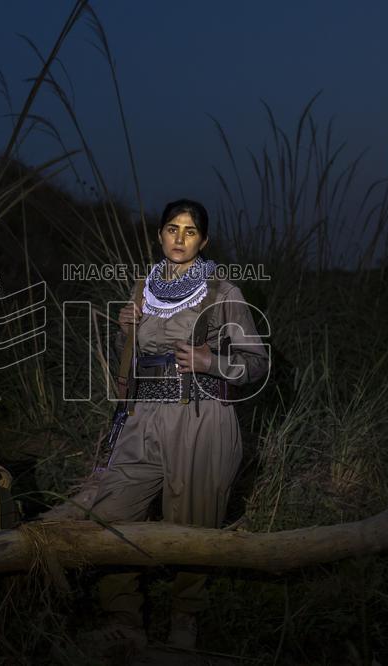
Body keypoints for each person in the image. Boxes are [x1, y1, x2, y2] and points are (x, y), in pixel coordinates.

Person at [81, 199, 269, 655]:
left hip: (200, 416)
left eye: (190, 231)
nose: (179, 238)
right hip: (143, 413)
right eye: (171, 228)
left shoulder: (223, 292)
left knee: (193, 525)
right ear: (160, 235)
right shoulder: (143, 286)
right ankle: (124, 619)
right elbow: (133, 357)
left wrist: (210, 361)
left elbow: (257, 364)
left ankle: (184, 626)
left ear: (202, 240)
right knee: (112, 509)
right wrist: (123, 329)